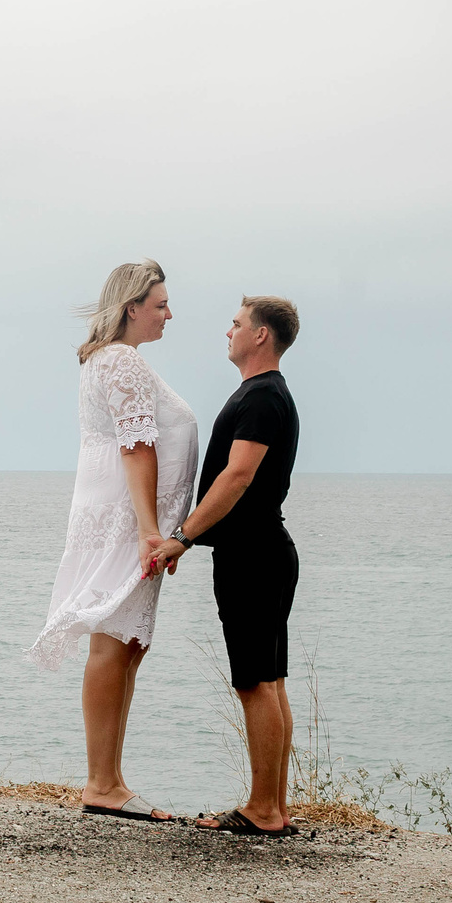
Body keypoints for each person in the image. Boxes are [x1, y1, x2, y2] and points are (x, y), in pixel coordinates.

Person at [25, 260, 199, 823]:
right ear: (132, 307)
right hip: (126, 516)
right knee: (113, 640)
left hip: (120, 511)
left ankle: (111, 778)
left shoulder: (114, 359)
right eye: (160, 304)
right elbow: (136, 446)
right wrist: (152, 530)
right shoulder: (120, 360)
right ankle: (102, 781)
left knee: (127, 641)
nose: (169, 314)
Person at [146, 295, 302, 836]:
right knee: (270, 681)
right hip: (265, 551)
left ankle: (263, 811)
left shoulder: (262, 397)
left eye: (236, 324)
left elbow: (236, 477)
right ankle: (273, 808)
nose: (228, 332)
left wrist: (182, 537)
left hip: (253, 555)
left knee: (256, 684)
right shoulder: (266, 393)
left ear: (261, 335)